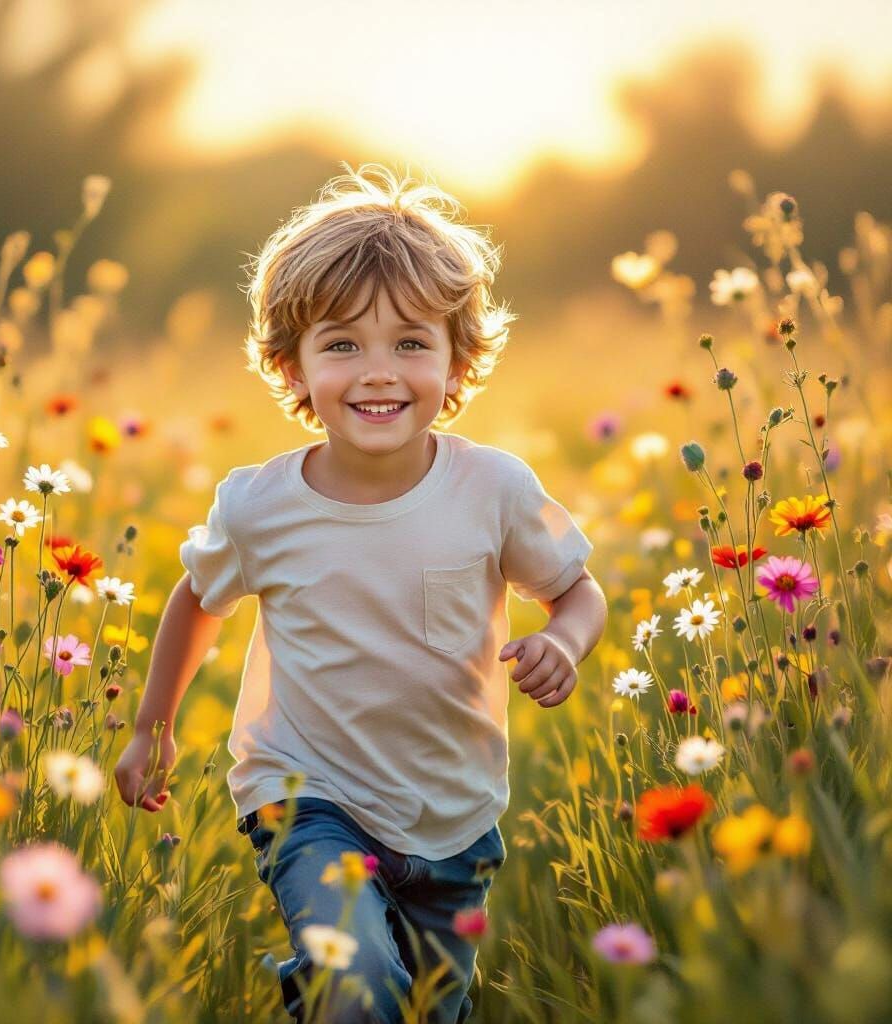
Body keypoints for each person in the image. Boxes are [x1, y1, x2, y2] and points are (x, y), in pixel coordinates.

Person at [114, 162, 608, 1022]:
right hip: (308, 800)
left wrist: (563, 642)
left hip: (455, 817)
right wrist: (151, 728)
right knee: (358, 984)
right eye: (342, 344)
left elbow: (578, 591)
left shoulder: (493, 489)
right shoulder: (261, 505)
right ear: (291, 367)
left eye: (411, 343)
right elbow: (197, 599)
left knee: (423, 1009)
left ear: (459, 362)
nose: (378, 371)